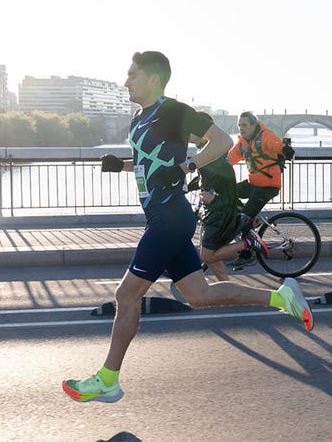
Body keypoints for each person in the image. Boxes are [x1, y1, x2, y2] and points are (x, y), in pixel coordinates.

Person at [63, 52, 312, 404]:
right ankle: (282, 297)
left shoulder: (172, 110)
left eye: (132, 75)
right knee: (199, 296)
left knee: (125, 296)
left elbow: (223, 141)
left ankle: (108, 379)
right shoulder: (139, 118)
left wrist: (187, 166)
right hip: (161, 216)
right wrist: (120, 166)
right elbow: (151, 162)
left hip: (170, 217)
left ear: (152, 78)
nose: (126, 81)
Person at [189, 132, 268, 282]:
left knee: (207, 255)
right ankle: (226, 286)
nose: (188, 134)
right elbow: (204, 177)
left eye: (192, 131)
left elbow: (224, 175)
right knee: (209, 252)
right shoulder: (207, 149)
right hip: (215, 208)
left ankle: (248, 242)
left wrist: (212, 191)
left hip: (220, 210)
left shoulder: (212, 153)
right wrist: (188, 187)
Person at [227, 112, 292, 268]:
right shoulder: (243, 143)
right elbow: (228, 159)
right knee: (228, 193)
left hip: (268, 185)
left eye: (245, 125)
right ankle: (253, 221)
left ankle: (247, 255)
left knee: (244, 217)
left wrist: (286, 151)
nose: (241, 128)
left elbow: (277, 145)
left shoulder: (265, 136)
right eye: (239, 125)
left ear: (253, 125)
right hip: (254, 182)